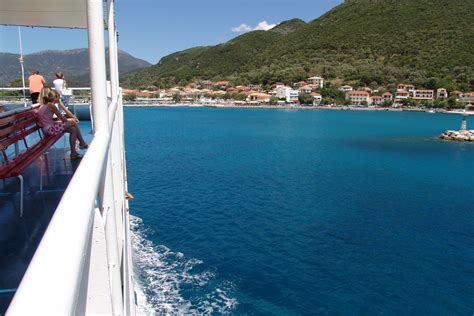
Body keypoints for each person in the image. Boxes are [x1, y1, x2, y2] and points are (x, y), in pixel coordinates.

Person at [36, 87, 88, 159]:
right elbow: (63, 119)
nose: (59, 99)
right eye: (57, 97)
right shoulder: (51, 106)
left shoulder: (43, 106)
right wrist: (71, 119)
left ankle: (74, 153)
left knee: (73, 129)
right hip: (50, 130)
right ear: (53, 97)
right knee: (73, 122)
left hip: (47, 129)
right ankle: (82, 143)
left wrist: (69, 120)